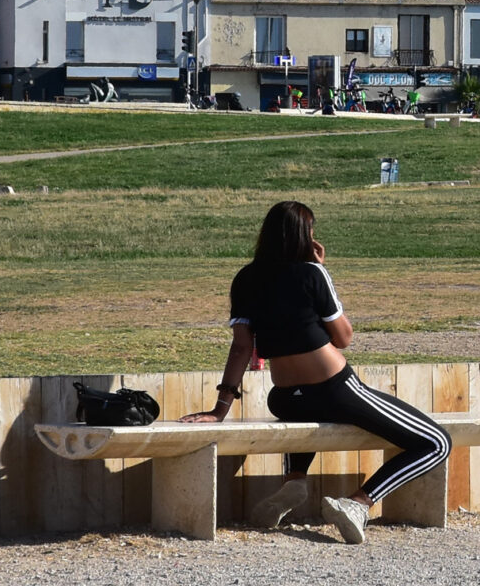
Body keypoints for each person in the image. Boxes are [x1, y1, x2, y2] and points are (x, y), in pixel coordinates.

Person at [182, 200, 448, 544]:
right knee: (437, 442)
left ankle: (294, 481)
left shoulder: (246, 279)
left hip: (285, 399)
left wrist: (219, 410)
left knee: (307, 411)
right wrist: (321, 270)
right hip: (336, 392)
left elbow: (241, 348)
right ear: (304, 235)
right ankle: (358, 503)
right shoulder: (312, 273)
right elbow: (344, 337)